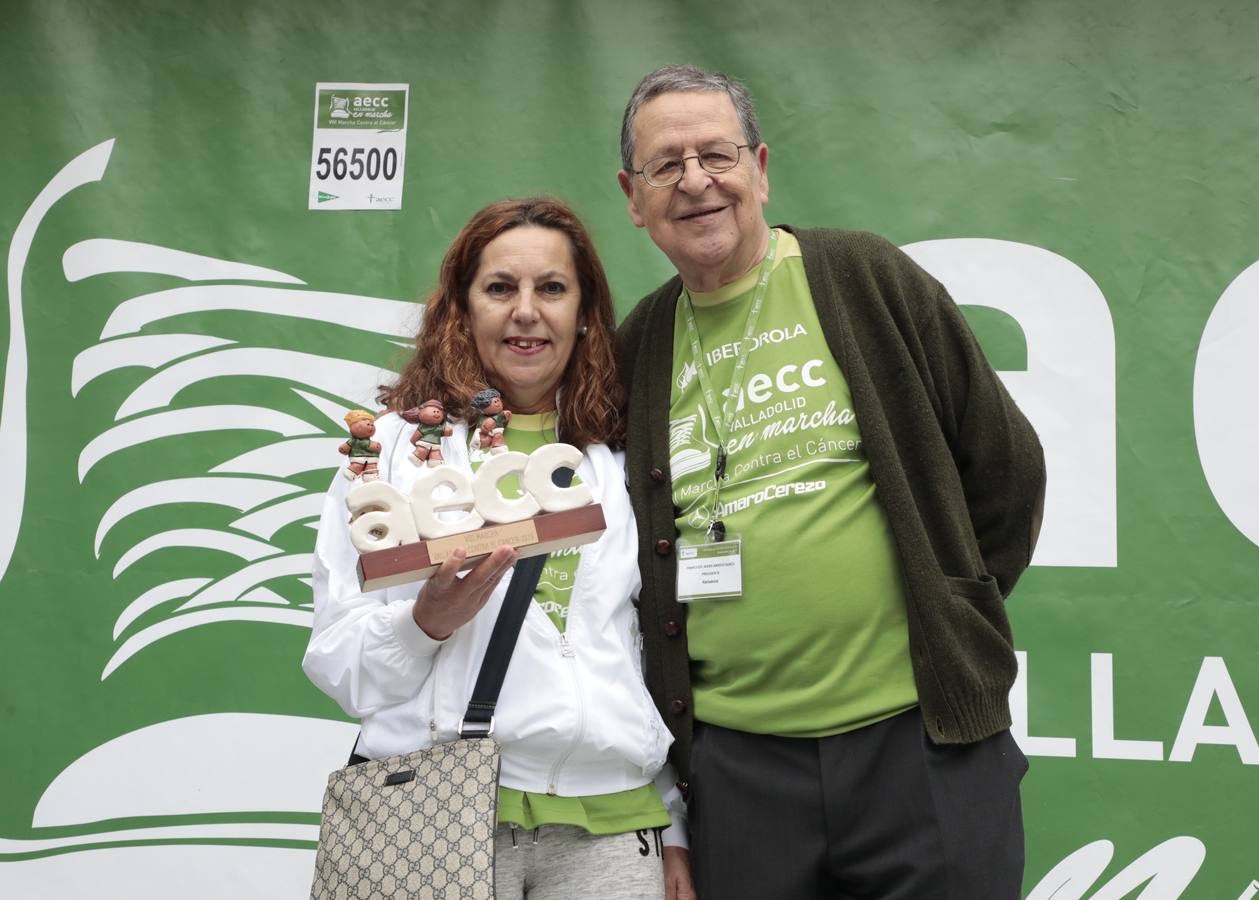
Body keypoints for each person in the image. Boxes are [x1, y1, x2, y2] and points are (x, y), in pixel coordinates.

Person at [615, 65, 1047, 899]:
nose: (696, 181)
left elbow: (1005, 466)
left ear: (761, 167)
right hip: (736, 773)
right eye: (666, 165)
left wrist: (952, 602)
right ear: (633, 196)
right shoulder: (640, 345)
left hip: (921, 745)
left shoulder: (864, 278)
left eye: (717, 153)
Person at [304, 197, 693, 899]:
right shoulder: (392, 453)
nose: (525, 311)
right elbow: (339, 666)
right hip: (438, 819)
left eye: (551, 288)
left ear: (584, 312)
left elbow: (642, 654)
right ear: (462, 307)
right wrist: (426, 623)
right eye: (499, 288)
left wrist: (673, 823)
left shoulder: (625, 455)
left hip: (615, 827)